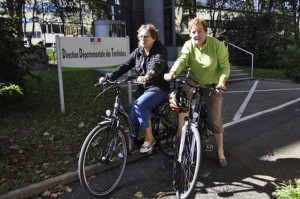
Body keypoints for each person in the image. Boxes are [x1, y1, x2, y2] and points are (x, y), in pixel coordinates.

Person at [164, 17, 230, 167]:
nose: (197, 34)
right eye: (193, 31)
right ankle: (180, 133)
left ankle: (220, 151)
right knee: (182, 101)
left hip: (213, 83)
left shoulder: (217, 45)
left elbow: (225, 67)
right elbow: (182, 59)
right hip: (193, 79)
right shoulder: (189, 45)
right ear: (190, 33)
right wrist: (172, 72)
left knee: (214, 119)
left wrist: (221, 82)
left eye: (200, 31)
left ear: (206, 32)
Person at [99, 24, 170, 154]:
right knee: (133, 117)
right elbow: (125, 65)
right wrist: (109, 76)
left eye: (146, 36)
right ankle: (130, 146)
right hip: (143, 89)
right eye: (140, 36)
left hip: (158, 88)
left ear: (153, 37)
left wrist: (148, 75)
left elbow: (157, 64)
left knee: (139, 105)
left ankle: (149, 139)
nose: (143, 38)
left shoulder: (160, 50)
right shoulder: (138, 52)